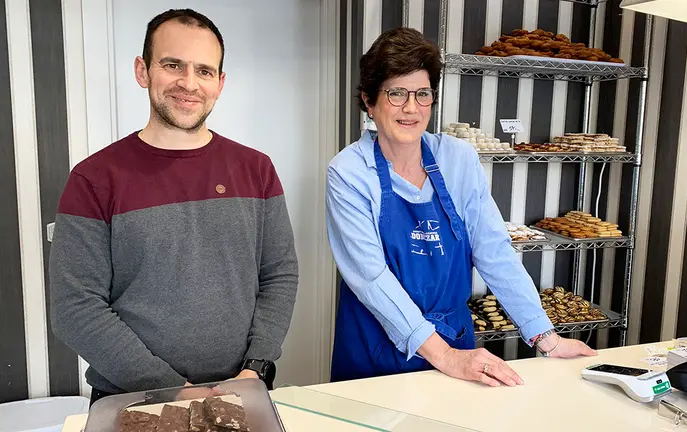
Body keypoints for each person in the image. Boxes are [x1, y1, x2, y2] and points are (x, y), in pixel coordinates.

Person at [49, 9, 298, 403]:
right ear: (142, 71)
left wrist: (257, 367)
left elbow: (279, 274)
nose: (188, 83)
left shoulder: (256, 169)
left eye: (204, 71)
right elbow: (75, 308)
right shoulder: (93, 179)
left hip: (240, 390)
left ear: (220, 83)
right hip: (134, 399)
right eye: (172, 65)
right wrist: (173, 390)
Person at [327, 28, 597, 386]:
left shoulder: (458, 159)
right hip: (376, 347)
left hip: (453, 339)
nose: (411, 108)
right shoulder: (348, 172)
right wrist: (445, 356)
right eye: (396, 94)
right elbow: (372, 278)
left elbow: (493, 251)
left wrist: (545, 337)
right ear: (369, 101)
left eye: (422, 94)